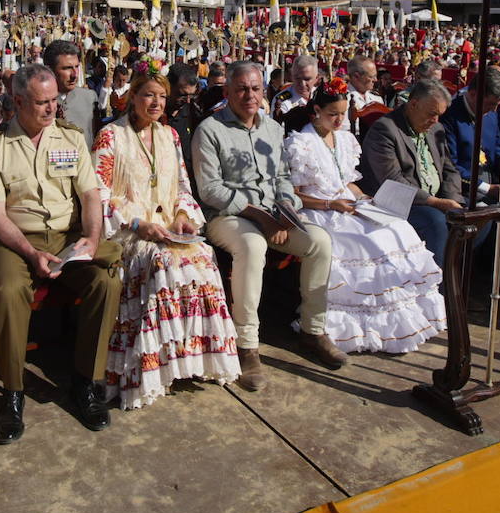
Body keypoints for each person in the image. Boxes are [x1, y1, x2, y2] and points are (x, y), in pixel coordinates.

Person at [0, 63, 122, 443]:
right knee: (7, 292)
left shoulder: (70, 139)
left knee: (106, 281)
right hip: (16, 240)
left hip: (65, 237)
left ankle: (86, 382)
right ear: (19, 101)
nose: (52, 109)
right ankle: (12, 392)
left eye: (55, 101)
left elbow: (90, 195)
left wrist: (90, 239)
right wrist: (29, 253)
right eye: (42, 102)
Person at [192, 61, 344, 392]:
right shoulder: (210, 130)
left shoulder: (272, 129)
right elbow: (211, 190)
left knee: (319, 241)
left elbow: (282, 179)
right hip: (227, 217)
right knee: (253, 245)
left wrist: (287, 211)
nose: (250, 95)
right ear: (228, 92)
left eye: (256, 88)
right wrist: (261, 217)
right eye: (242, 89)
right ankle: (247, 345)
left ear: (264, 91)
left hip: (273, 214)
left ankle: (312, 330)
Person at [92, 69, 239, 409]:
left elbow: (184, 186)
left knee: (203, 256)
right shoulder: (111, 136)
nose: (156, 102)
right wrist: (138, 223)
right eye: (148, 95)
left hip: (168, 226)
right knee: (164, 263)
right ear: (132, 97)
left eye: (161, 96)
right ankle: (154, 365)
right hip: (130, 230)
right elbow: (98, 194)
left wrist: (185, 216)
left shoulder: (170, 136)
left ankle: (186, 359)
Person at [282, 78, 445, 353]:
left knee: (395, 229)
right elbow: (294, 193)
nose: (338, 120)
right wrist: (330, 205)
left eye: (342, 114)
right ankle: (352, 321)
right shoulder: (301, 143)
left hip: (347, 202)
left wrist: (364, 197)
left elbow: (347, 181)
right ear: (316, 112)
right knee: (365, 242)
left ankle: (401, 315)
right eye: (332, 114)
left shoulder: (344, 139)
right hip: (318, 209)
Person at [360, 80, 466, 264]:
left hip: (439, 199)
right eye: (432, 114)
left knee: (478, 218)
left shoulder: (436, 129)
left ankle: (454, 274)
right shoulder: (385, 130)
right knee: (435, 222)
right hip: (401, 203)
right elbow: (393, 182)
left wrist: (453, 200)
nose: (435, 121)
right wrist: (437, 203)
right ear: (414, 104)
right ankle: (437, 285)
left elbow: (450, 169)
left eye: (439, 115)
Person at [439, 66, 500, 202]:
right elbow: (450, 165)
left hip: (492, 183)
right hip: (464, 190)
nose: (494, 110)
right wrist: (486, 188)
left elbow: (497, 151)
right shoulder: (450, 116)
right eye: (490, 104)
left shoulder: (491, 115)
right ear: (472, 94)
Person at [43, 40, 98, 147]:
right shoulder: (37, 102)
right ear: (49, 70)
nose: (74, 75)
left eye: (77, 67)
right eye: (67, 68)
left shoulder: (89, 98)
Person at [272, 53, 318, 121]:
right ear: (292, 77)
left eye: (307, 79)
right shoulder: (281, 101)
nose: (302, 84)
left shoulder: (322, 96)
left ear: (316, 78)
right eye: (298, 78)